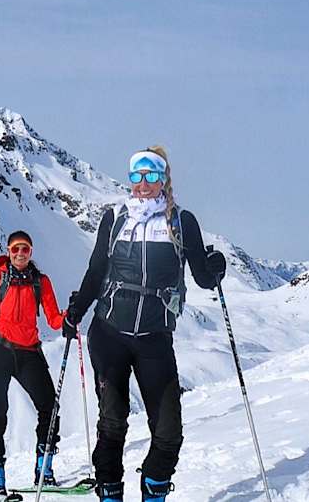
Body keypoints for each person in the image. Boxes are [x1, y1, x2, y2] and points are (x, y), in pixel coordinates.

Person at [62, 147, 227, 502]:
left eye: (151, 175)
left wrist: (215, 268)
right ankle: (110, 493)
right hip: (108, 334)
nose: (143, 183)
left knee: (168, 432)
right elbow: (96, 271)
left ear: (164, 179)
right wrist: (76, 312)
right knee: (113, 422)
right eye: (136, 175)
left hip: (155, 339)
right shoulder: (116, 217)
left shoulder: (182, 223)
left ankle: (153, 490)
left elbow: (201, 275)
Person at [0, 230, 67, 500]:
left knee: (50, 408)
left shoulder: (41, 282)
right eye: (16, 249)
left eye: (25, 250)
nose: (20, 254)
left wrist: (70, 316)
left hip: (29, 352)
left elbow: (54, 319)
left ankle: (44, 471)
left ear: (31, 252)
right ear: (8, 250)